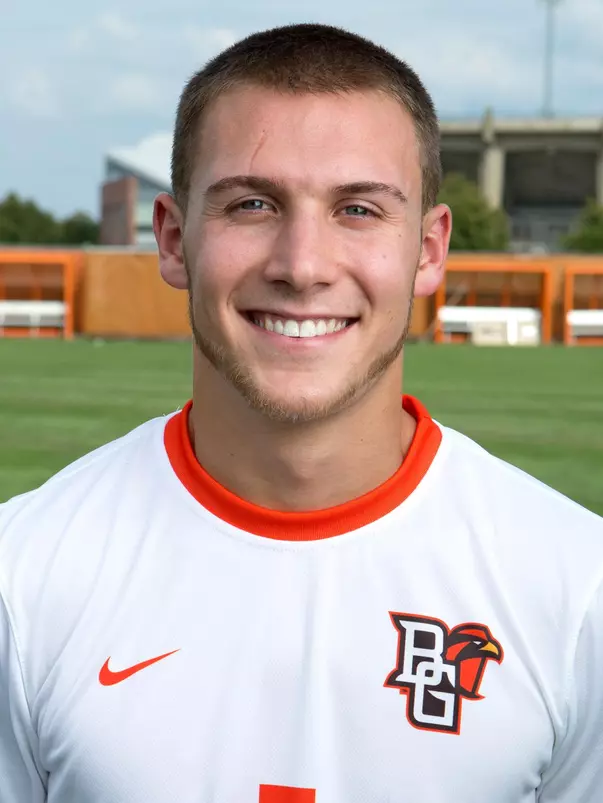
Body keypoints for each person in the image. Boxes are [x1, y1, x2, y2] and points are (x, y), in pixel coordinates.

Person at [1, 23, 602, 803]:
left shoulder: (577, 587)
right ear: (176, 240)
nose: (302, 265)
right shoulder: (22, 576)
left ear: (427, 250)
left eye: (357, 209)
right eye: (251, 204)